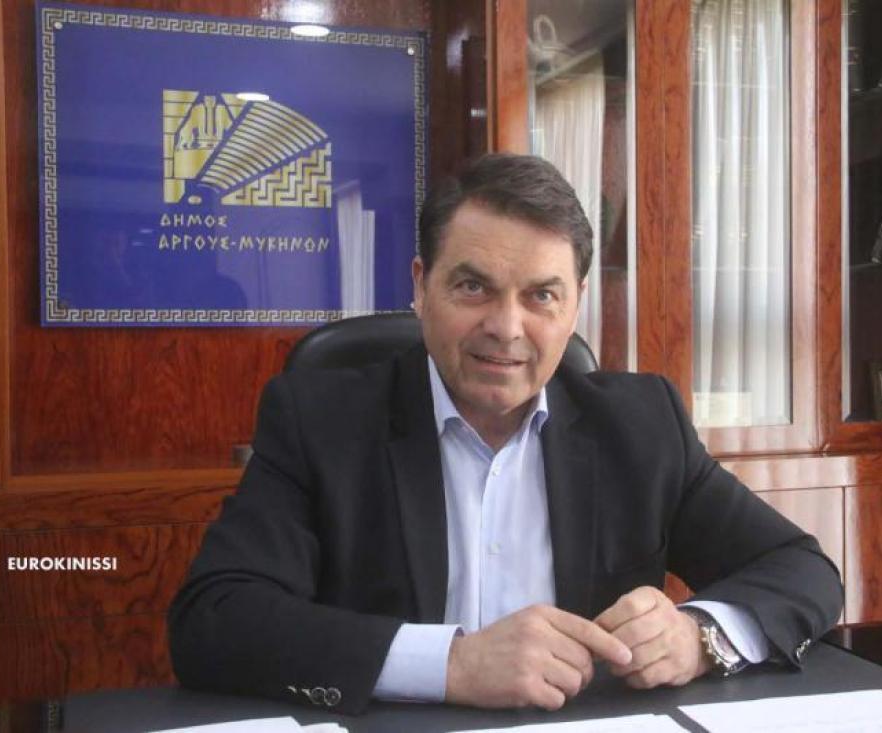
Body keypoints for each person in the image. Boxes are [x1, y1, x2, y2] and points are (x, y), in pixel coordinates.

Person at [168, 153, 844, 715]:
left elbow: (802, 569)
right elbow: (215, 619)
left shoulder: (641, 425)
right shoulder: (320, 419)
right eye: (473, 287)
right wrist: (452, 664)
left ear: (576, 303)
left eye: (541, 295)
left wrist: (699, 638)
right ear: (420, 286)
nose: (506, 327)